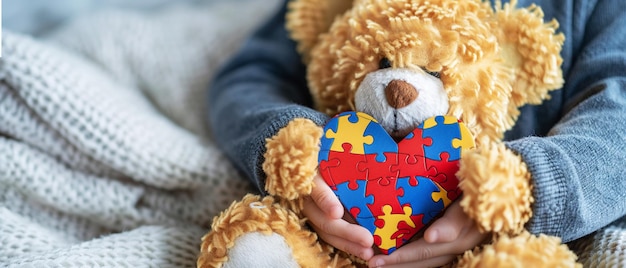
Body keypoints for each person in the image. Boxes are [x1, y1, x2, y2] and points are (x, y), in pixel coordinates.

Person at [207, 0, 626, 267]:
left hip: (507, 239)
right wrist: (293, 149)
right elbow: (250, 77)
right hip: (338, 225)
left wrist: (525, 189)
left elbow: (616, 114)